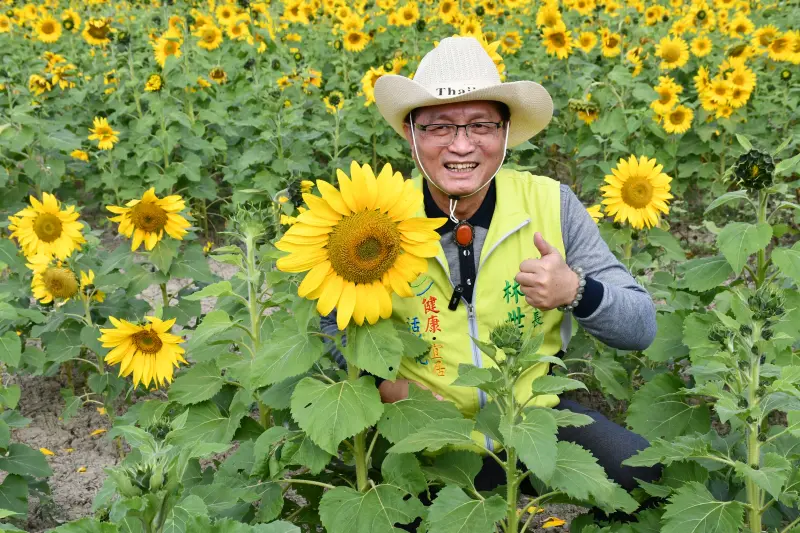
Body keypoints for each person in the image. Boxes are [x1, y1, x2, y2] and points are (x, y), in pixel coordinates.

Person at [324, 36, 662, 520]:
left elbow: (641, 326)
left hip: (533, 418)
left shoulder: (551, 204)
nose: (462, 144)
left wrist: (576, 291)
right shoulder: (372, 220)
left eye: (481, 124)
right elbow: (331, 321)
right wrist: (388, 386)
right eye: (440, 126)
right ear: (410, 133)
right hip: (426, 429)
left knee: (647, 476)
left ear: (506, 133)